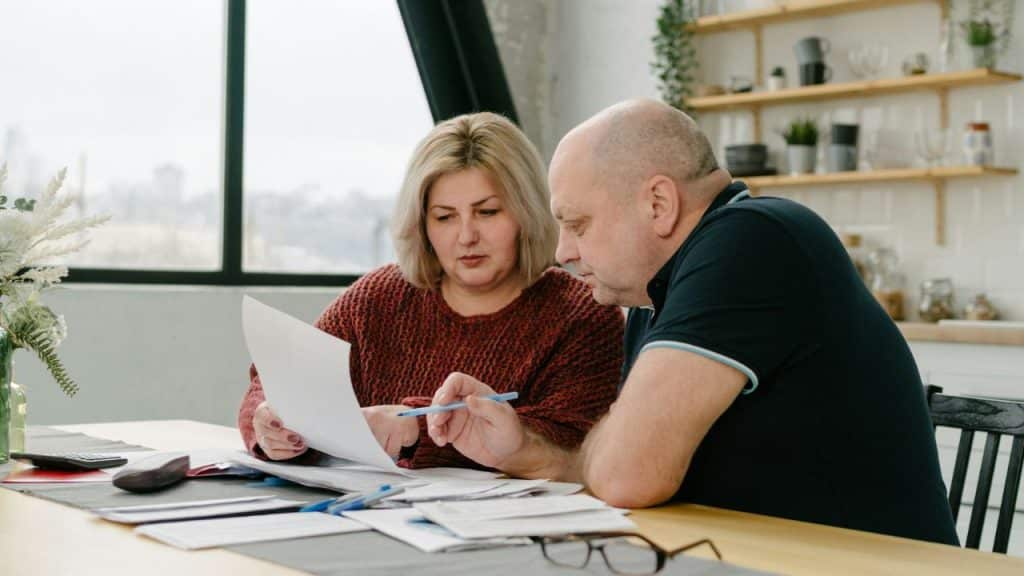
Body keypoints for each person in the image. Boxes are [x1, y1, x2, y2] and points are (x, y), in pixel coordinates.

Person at [426, 100, 959, 545]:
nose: (563, 251)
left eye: (577, 223)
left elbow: (626, 475)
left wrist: (612, 448)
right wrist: (526, 451)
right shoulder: (658, 294)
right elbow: (620, 462)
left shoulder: (752, 240)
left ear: (658, 202)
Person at [238, 111, 624, 469]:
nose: (467, 236)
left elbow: (573, 446)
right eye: (444, 217)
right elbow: (279, 382)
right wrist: (268, 419)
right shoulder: (377, 298)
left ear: (526, 213)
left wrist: (414, 431)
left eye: (487, 212)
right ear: (421, 225)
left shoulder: (583, 314)